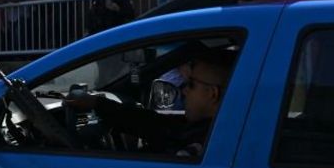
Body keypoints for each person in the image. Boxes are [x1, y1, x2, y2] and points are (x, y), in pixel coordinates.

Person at [68, 49, 236, 157]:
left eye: (191, 84)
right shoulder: (213, 130)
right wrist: (97, 103)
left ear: (212, 93)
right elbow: (157, 124)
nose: (184, 91)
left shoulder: (201, 145)